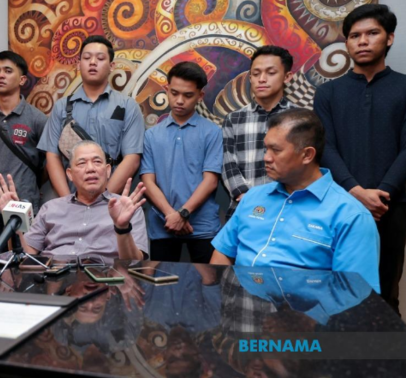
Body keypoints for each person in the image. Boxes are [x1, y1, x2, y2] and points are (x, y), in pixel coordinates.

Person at [210, 108, 380, 293]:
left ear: (307, 155)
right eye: (266, 148)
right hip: (242, 310)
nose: (266, 158)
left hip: (306, 317)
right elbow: (223, 253)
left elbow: (355, 293)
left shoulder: (351, 216)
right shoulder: (253, 197)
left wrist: (304, 319)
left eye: (276, 150)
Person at [313, 4, 405, 314]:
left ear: (389, 38)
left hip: (390, 207)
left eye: (372, 33)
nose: (362, 41)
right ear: (347, 43)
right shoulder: (328, 93)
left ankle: (384, 363)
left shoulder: (404, 88)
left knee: (385, 291)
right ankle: (340, 362)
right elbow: (324, 148)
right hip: (338, 205)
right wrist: (355, 192)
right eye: (355, 36)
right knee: (336, 291)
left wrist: (381, 194)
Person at [0, 141, 148, 261]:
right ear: (70, 174)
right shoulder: (50, 208)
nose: (90, 168)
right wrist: (15, 219)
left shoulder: (126, 208)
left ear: (107, 171)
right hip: (54, 284)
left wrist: (122, 228)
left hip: (105, 284)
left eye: (97, 162)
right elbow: (27, 255)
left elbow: (135, 262)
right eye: (82, 163)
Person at [37, 35, 145, 196]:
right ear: (78, 65)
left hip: (111, 202)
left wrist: (103, 199)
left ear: (111, 66)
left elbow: (132, 159)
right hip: (70, 196)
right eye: (87, 58)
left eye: (100, 58)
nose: (93, 62)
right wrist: (68, 201)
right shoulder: (61, 107)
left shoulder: (128, 106)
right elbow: (52, 156)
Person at [140, 62, 222, 263]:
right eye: (174, 93)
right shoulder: (151, 135)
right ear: (166, 89)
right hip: (162, 225)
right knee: (162, 288)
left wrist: (183, 213)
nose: (179, 100)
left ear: (200, 96)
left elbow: (210, 181)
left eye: (188, 95)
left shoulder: (212, 132)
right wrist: (172, 215)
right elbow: (147, 181)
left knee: (209, 286)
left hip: (202, 226)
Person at [0, 51, 47, 251]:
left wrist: (29, 184)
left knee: (26, 262)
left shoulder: (37, 118)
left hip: (25, 203)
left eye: (8, 71)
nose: (0, 75)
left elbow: (49, 163)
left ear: (22, 79)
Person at [222, 45, 299, 220]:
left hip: (287, 210)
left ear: (287, 77)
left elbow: (303, 166)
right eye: (256, 74)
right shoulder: (234, 119)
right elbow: (228, 165)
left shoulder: (300, 119)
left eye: (271, 73)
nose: (262, 79)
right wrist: (246, 197)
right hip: (243, 209)